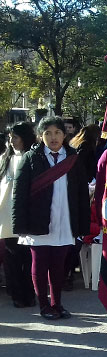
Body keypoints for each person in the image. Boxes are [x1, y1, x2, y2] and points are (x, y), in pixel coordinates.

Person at [12, 116, 89, 320]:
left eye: (57, 133)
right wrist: (19, 224)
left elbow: (82, 193)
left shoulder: (73, 158)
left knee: (59, 265)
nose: (53, 137)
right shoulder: (30, 158)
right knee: (39, 262)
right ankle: (44, 305)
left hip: (64, 218)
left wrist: (82, 225)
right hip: (38, 219)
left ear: (65, 135)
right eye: (47, 133)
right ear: (40, 136)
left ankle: (57, 303)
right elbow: (19, 193)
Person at [1, 122, 36, 308]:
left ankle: (29, 293)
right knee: (11, 257)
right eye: (10, 137)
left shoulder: (32, 158)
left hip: (26, 215)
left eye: (15, 137)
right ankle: (16, 293)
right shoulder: (5, 159)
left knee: (28, 257)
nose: (11, 141)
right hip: (6, 215)